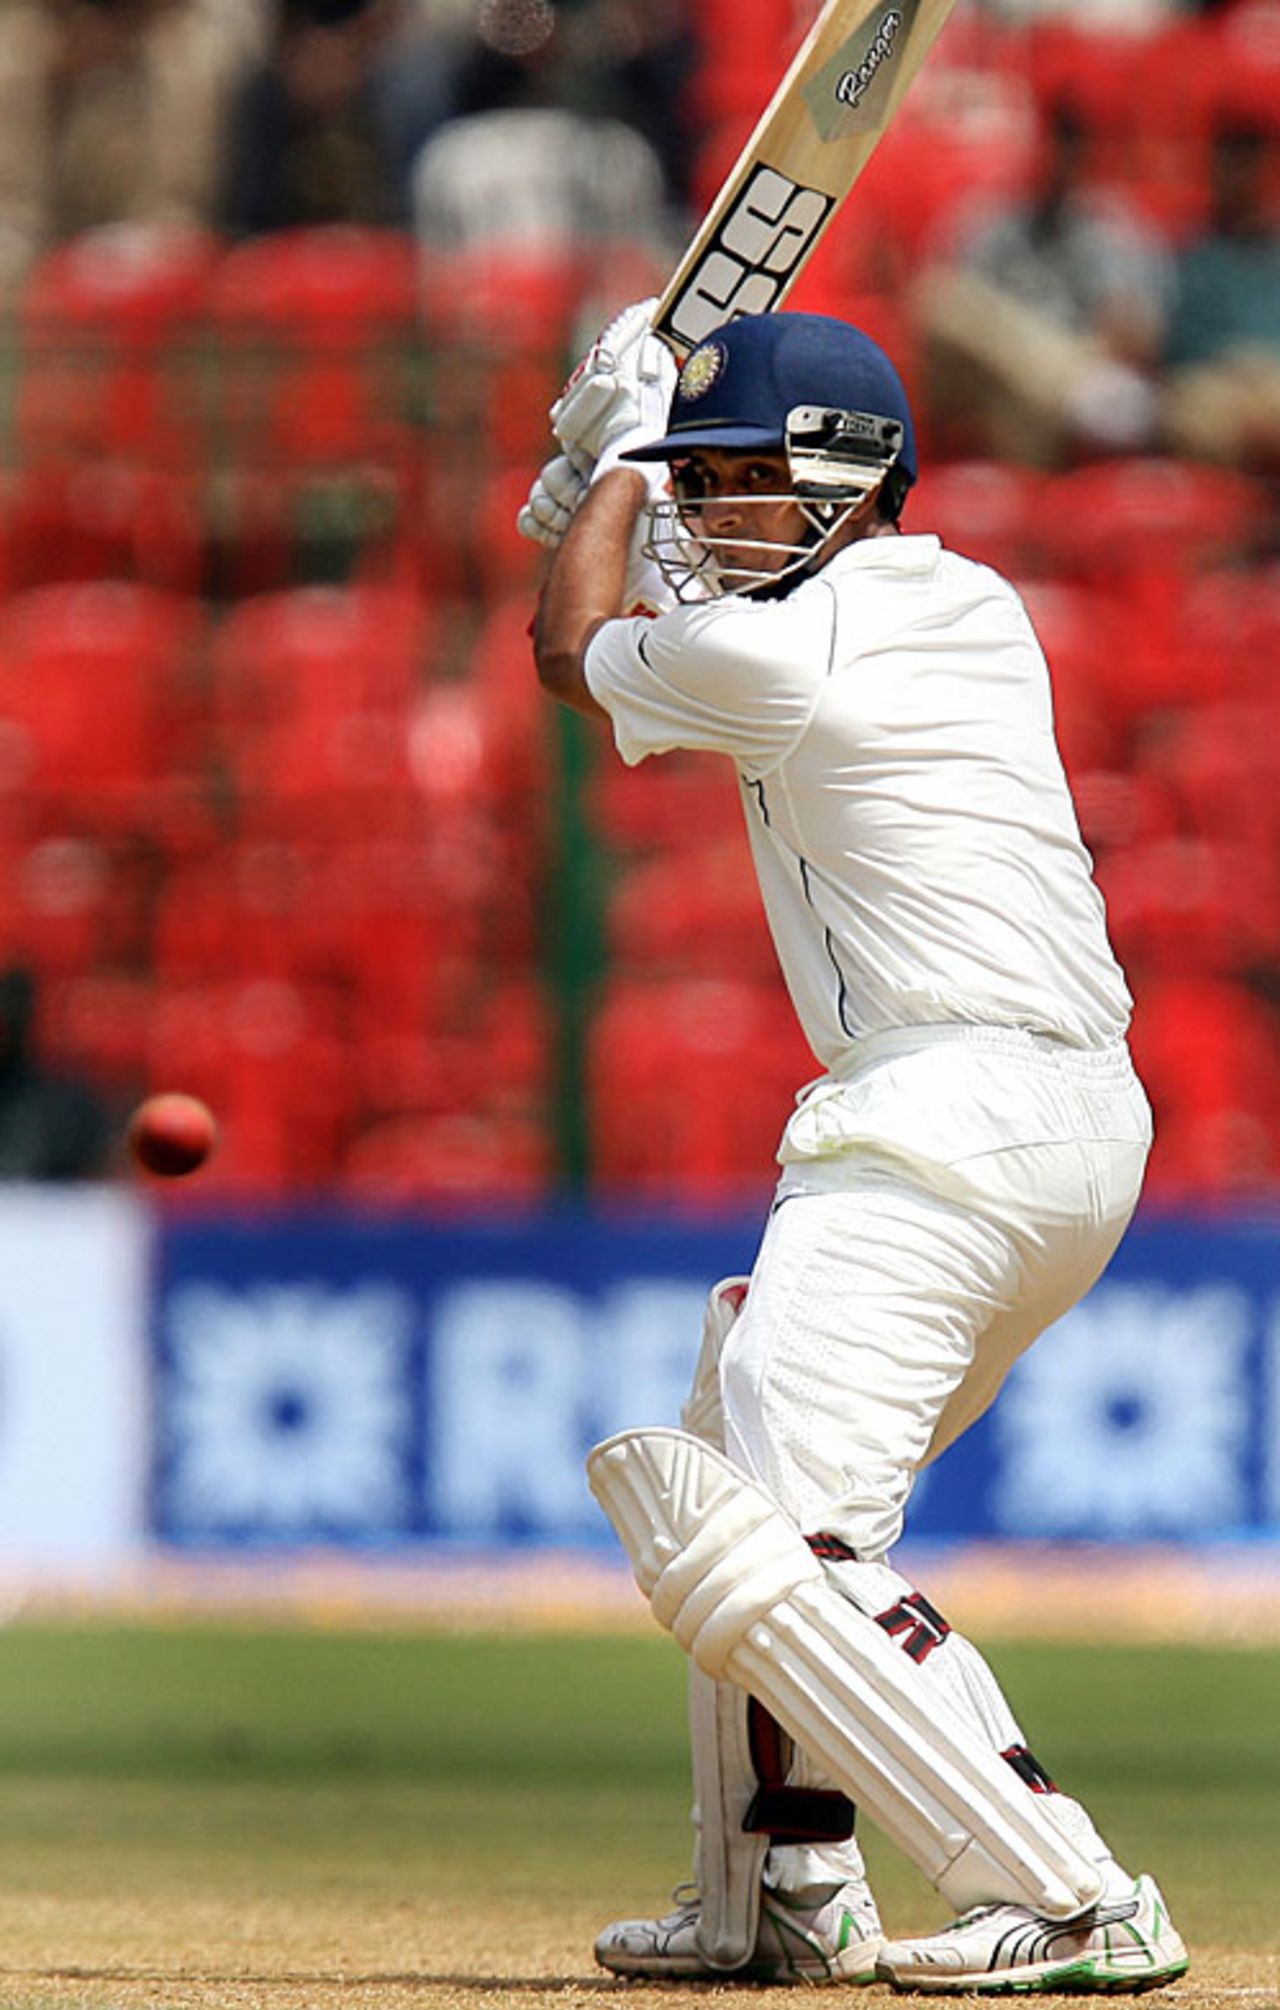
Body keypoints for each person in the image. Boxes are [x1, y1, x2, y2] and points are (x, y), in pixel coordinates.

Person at [519, 302, 1190, 1994]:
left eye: (751, 478)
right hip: (1072, 1127)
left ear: (852, 479)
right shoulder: (958, 601)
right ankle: (780, 1888)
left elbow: (569, 653)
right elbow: (665, 629)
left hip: (936, 1126)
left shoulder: (783, 647)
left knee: (777, 1540)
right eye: (700, 476)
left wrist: (602, 468)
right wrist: (617, 493)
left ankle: (1074, 1891)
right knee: (737, 1458)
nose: (715, 507)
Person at [914, 93, 1170, 464]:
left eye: (1070, 153)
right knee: (941, 298)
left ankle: (1063, 393)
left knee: (1026, 406)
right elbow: (949, 316)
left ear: (1086, 159)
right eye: (1050, 150)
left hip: (1060, 383)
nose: (1057, 166)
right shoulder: (987, 218)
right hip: (1008, 380)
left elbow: (1135, 334)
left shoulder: (1113, 228)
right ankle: (1070, 388)